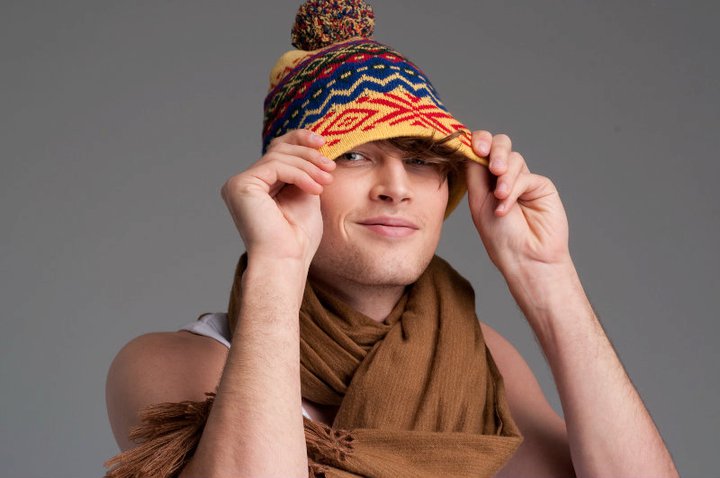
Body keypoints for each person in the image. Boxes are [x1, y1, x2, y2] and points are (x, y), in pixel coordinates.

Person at [104, 1, 679, 477]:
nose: (396, 188)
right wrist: (276, 263)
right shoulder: (175, 362)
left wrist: (547, 277)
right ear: (287, 183)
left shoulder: (473, 356)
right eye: (354, 156)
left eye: (422, 160)